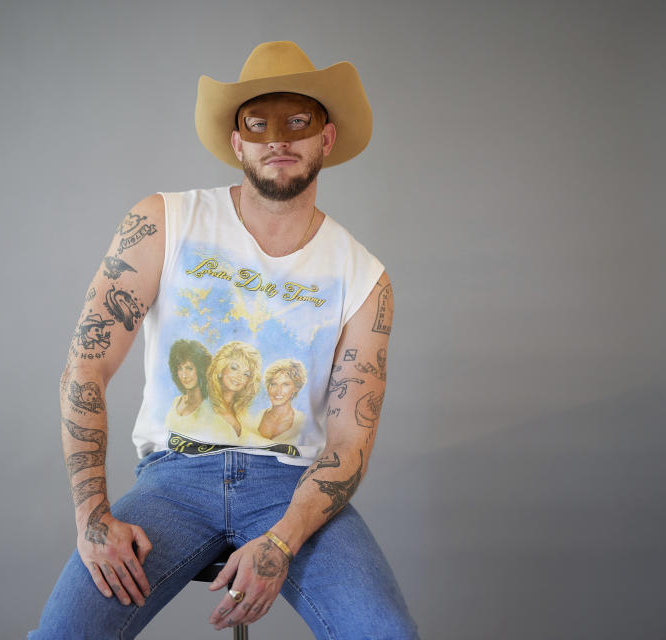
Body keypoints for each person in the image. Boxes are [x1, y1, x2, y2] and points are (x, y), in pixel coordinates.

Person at [32, 41, 420, 638]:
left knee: (387, 634)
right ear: (238, 142)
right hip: (173, 479)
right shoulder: (164, 221)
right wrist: (92, 518)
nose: (279, 140)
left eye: (299, 121)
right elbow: (85, 369)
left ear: (327, 138)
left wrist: (284, 541)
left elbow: (349, 440)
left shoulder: (364, 278)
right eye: (258, 124)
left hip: (293, 489)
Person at [257, 358, 307, 443]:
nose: (278, 390)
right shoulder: (256, 416)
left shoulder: (303, 421)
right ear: (268, 387)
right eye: (274, 384)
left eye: (285, 384)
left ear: (295, 388)